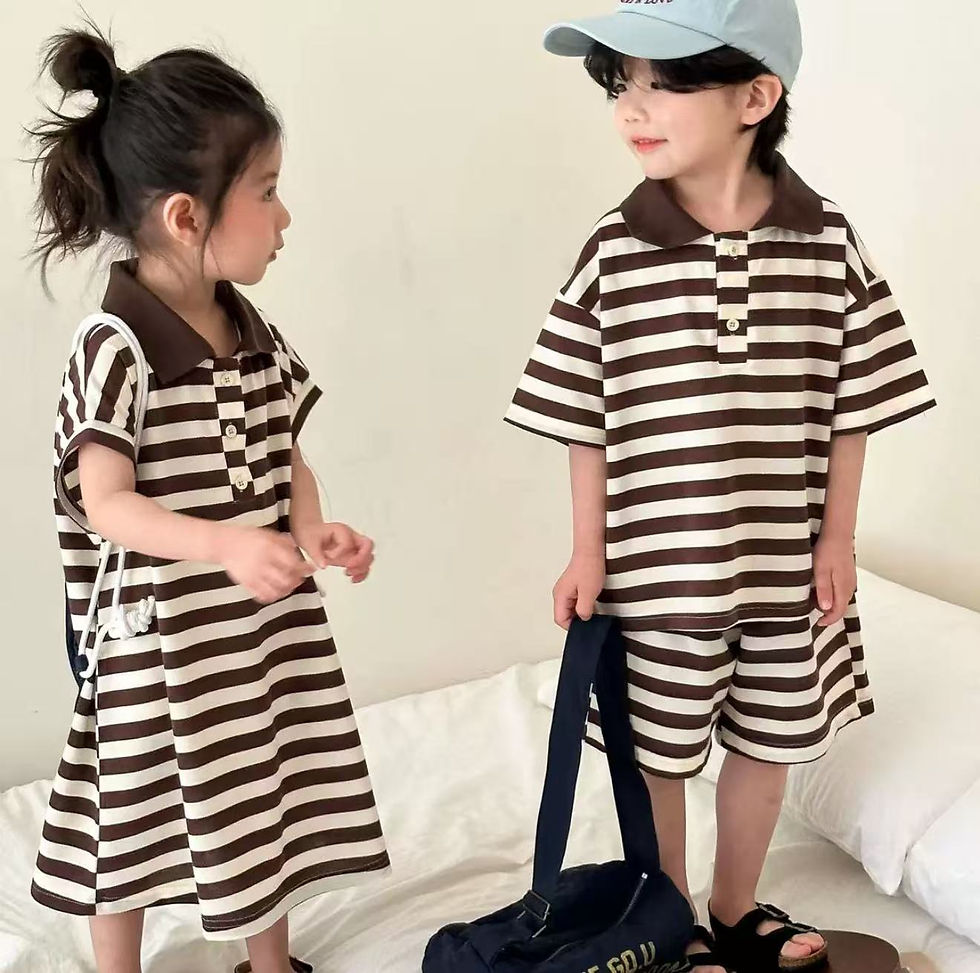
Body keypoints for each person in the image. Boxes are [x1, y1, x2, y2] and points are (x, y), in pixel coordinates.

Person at [505, 2, 936, 970]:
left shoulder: (827, 241)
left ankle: (735, 905)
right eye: (621, 83)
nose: (631, 107)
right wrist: (586, 551)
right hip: (656, 574)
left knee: (767, 745)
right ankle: (674, 924)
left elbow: (853, 404)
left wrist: (837, 537)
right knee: (654, 755)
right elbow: (582, 417)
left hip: (785, 568)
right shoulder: (613, 250)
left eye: (662, 83)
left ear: (754, 96)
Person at [28, 23, 390, 973]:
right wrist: (226, 543)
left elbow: (284, 452)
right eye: (266, 191)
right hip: (157, 642)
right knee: (126, 814)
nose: (284, 215)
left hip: (252, 634)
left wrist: (312, 528)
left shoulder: (250, 329)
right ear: (188, 217)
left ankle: (268, 961)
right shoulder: (115, 347)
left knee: (259, 788)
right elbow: (106, 502)